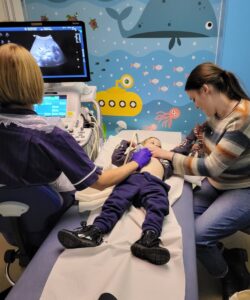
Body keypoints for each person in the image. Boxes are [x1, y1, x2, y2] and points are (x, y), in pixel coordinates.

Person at [0, 43, 151, 243]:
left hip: (9, 224)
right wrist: (136, 162)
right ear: (35, 81)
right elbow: (101, 182)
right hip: (50, 213)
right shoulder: (49, 135)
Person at [146, 62, 250, 299]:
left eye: (194, 99)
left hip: (243, 187)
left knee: (198, 237)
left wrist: (167, 156)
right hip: (220, 184)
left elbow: (212, 166)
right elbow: (196, 142)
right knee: (182, 223)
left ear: (206, 90)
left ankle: (227, 274)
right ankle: (228, 255)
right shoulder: (216, 114)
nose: (195, 105)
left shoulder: (243, 118)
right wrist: (174, 153)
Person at [58, 137, 173, 265]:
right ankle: (94, 232)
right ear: (142, 145)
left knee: (158, 206)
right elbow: (116, 158)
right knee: (115, 201)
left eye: (159, 145)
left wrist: (191, 138)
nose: (155, 146)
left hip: (154, 183)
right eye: (151, 143)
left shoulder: (165, 160)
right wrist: (126, 143)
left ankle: (149, 239)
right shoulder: (134, 156)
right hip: (132, 179)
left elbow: (180, 154)